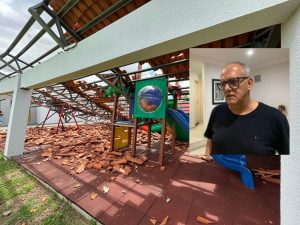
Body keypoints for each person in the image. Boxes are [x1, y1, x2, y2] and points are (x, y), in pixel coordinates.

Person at [202, 62, 289, 160]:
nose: (226, 88)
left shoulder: (276, 118)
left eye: (234, 81)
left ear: (249, 83)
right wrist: (207, 157)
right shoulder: (217, 111)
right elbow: (210, 138)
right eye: (223, 83)